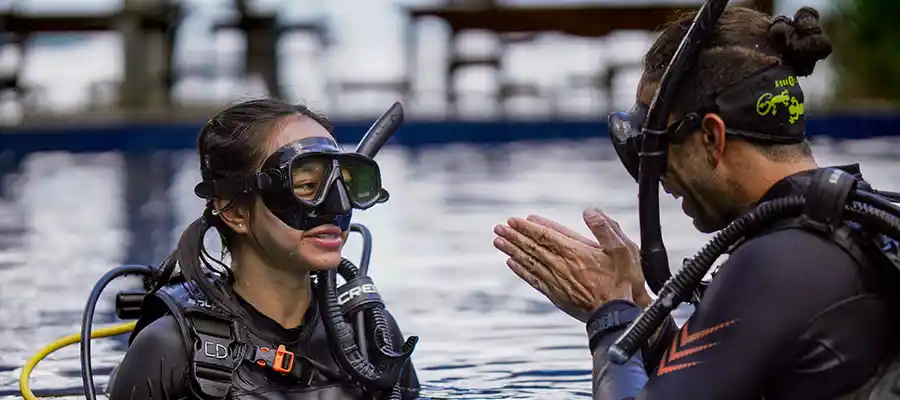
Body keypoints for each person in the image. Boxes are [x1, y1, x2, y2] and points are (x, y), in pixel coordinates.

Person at [493, 5, 900, 400]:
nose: (658, 178)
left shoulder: (777, 263)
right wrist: (645, 320)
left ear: (711, 137)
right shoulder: (853, 228)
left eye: (657, 149)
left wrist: (609, 316)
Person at [107, 98, 420, 400]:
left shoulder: (371, 336)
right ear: (234, 211)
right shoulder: (170, 350)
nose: (338, 206)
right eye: (307, 186)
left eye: (344, 185)